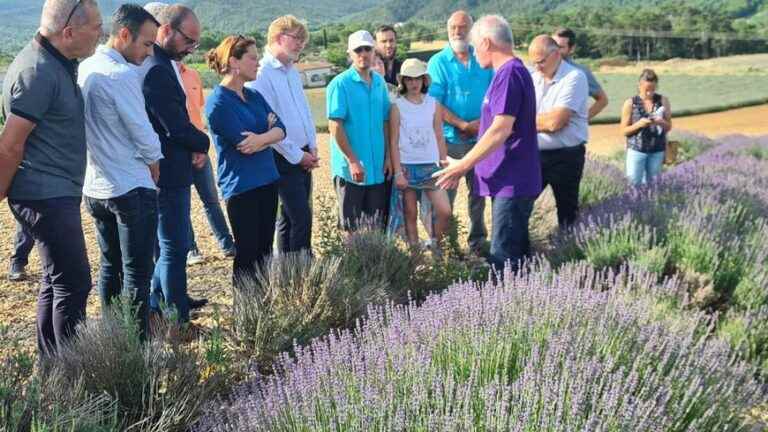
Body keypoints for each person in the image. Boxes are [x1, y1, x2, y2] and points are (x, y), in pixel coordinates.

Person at [0, 0, 102, 355]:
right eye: (96, 27)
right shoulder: (38, 71)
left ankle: (53, 373)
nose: (100, 34)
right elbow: (10, 145)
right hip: (44, 194)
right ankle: (70, 376)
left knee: (55, 281)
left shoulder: (57, 64)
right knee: (74, 283)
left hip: (54, 191)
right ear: (69, 32)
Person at [78, 4, 162, 340]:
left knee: (110, 267)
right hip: (129, 187)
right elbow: (143, 133)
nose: (149, 52)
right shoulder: (122, 75)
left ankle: (113, 339)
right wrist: (154, 162)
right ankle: (135, 348)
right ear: (123, 34)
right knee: (138, 274)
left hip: (96, 187)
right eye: (145, 44)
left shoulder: (85, 68)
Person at [435, 15, 540, 271]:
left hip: (512, 183)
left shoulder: (509, 74)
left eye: (474, 43)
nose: (472, 50)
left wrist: (462, 165)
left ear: (486, 42)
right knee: (516, 262)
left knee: (503, 263)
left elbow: (499, 130)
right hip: (508, 182)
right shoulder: (506, 73)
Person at [143, 4, 210, 324]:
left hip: (170, 166)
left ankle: (160, 303)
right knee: (173, 247)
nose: (191, 48)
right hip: (168, 172)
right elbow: (174, 126)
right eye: (188, 40)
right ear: (165, 29)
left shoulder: (162, 62)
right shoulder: (156, 67)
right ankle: (178, 319)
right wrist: (204, 142)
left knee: (171, 246)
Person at [205, 35, 286, 286]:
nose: (258, 62)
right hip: (242, 188)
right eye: (252, 57)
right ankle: (245, 315)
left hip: (267, 181)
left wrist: (262, 137)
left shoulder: (253, 96)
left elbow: (281, 129)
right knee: (248, 255)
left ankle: (262, 312)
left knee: (264, 253)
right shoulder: (218, 103)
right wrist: (268, 134)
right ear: (234, 62)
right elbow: (244, 145)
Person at [247, 15, 319, 253]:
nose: (301, 44)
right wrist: (297, 155)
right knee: (301, 217)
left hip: (303, 153)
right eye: (297, 38)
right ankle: (302, 270)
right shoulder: (261, 73)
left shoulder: (291, 71)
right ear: (278, 37)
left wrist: (312, 145)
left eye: (303, 40)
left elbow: (304, 110)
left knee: (289, 218)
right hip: (282, 156)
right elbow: (269, 123)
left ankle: (288, 272)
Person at [427, 10, 493, 256]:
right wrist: (462, 125)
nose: (458, 32)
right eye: (453, 27)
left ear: (472, 30)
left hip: (481, 140)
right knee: (447, 198)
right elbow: (434, 103)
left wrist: (481, 124)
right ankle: (447, 247)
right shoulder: (438, 62)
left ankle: (477, 243)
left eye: (463, 27)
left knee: (478, 196)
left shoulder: (483, 58)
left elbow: (494, 94)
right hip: (450, 142)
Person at [327, 30, 392, 230]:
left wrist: (388, 156)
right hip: (351, 171)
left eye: (367, 49)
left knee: (376, 226)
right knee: (351, 228)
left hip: (377, 169)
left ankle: (374, 263)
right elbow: (335, 125)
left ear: (374, 51)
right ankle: (353, 262)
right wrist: (353, 161)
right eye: (358, 50)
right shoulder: (340, 84)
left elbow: (385, 121)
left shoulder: (380, 82)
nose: (363, 53)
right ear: (350, 53)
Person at [388, 59, 451, 247]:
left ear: (424, 80)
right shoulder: (397, 106)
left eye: (418, 79)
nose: (414, 83)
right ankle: (415, 258)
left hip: (431, 167)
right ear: (403, 82)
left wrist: (444, 164)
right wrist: (398, 172)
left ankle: (435, 246)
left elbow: (439, 136)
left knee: (445, 211)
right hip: (407, 167)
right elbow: (393, 141)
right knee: (410, 214)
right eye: (409, 79)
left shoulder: (434, 104)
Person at [529, 35, 589, 229]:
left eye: (541, 61)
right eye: (534, 62)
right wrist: (536, 120)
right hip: (535, 155)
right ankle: (521, 253)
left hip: (566, 157)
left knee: (567, 211)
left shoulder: (574, 77)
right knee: (522, 205)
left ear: (556, 54)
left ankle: (568, 251)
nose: (537, 66)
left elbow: (556, 122)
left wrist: (522, 122)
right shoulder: (533, 77)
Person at [178, 60, 236, 263]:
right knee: (181, 202)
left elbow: (198, 111)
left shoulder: (193, 74)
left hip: (199, 146)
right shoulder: (161, 74)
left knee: (211, 199)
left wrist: (200, 145)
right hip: (176, 149)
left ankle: (227, 245)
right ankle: (190, 250)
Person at [621, 69, 672, 185]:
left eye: (653, 90)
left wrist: (660, 122)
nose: (649, 93)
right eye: (646, 90)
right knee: (633, 185)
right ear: (639, 86)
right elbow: (624, 131)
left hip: (657, 151)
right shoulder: (630, 103)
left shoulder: (663, 101)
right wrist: (639, 124)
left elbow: (669, 127)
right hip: (636, 151)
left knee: (654, 187)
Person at [552, 28, 608, 121]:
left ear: (572, 49)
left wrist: (582, 120)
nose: (555, 50)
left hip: (570, 134)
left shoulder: (580, 72)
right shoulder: (539, 70)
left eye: (560, 47)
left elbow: (602, 100)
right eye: (553, 46)